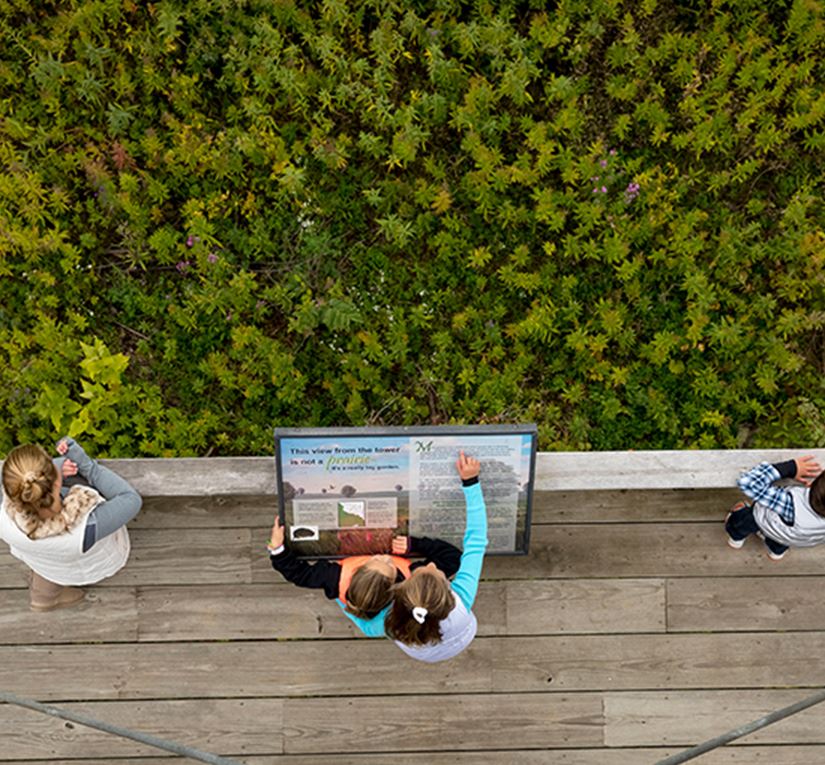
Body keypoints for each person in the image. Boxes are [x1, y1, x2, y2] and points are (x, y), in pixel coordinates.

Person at [0, 437, 142, 611]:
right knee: (59, 568)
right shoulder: (86, 526)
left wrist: (54, 469)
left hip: (39, 558)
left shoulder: (4, 511)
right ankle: (46, 597)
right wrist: (88, 467)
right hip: (79, 566)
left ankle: (43, 598)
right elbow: (131, 499)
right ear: (56, 481)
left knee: (46, 570)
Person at [267, 517, 461, 624]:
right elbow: (453, 558)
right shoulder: (412, 579)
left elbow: (298, 574)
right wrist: (415, 545)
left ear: (359, 569)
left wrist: (277, 549)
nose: (384, 556)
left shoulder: (333, 577)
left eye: (377, 560)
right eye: (388, 563)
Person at [725, 454, 824, 560]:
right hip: (794, 537)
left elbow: (749, 483)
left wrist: (791, 467)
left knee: (742, 522)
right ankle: (776, 554)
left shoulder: (788, 503)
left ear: (811, 483)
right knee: (781, 541)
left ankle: (736, 540)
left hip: (762, 520)